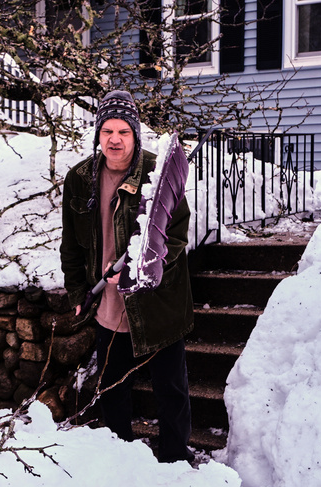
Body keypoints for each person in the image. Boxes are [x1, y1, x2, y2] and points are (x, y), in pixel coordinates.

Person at [59, 90, 194, 462]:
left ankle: (176, 458)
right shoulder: (80, 179)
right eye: (107, 131)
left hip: (158, 301)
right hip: (108, 303)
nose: (114, 139)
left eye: (123, 131)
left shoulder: (157, 174)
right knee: (112, 389)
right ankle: (121, 460)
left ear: (135, 134)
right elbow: (71, 244)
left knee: (170, 388)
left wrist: (138, 268)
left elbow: (177, 236)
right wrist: (76, 293)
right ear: (97, 133)